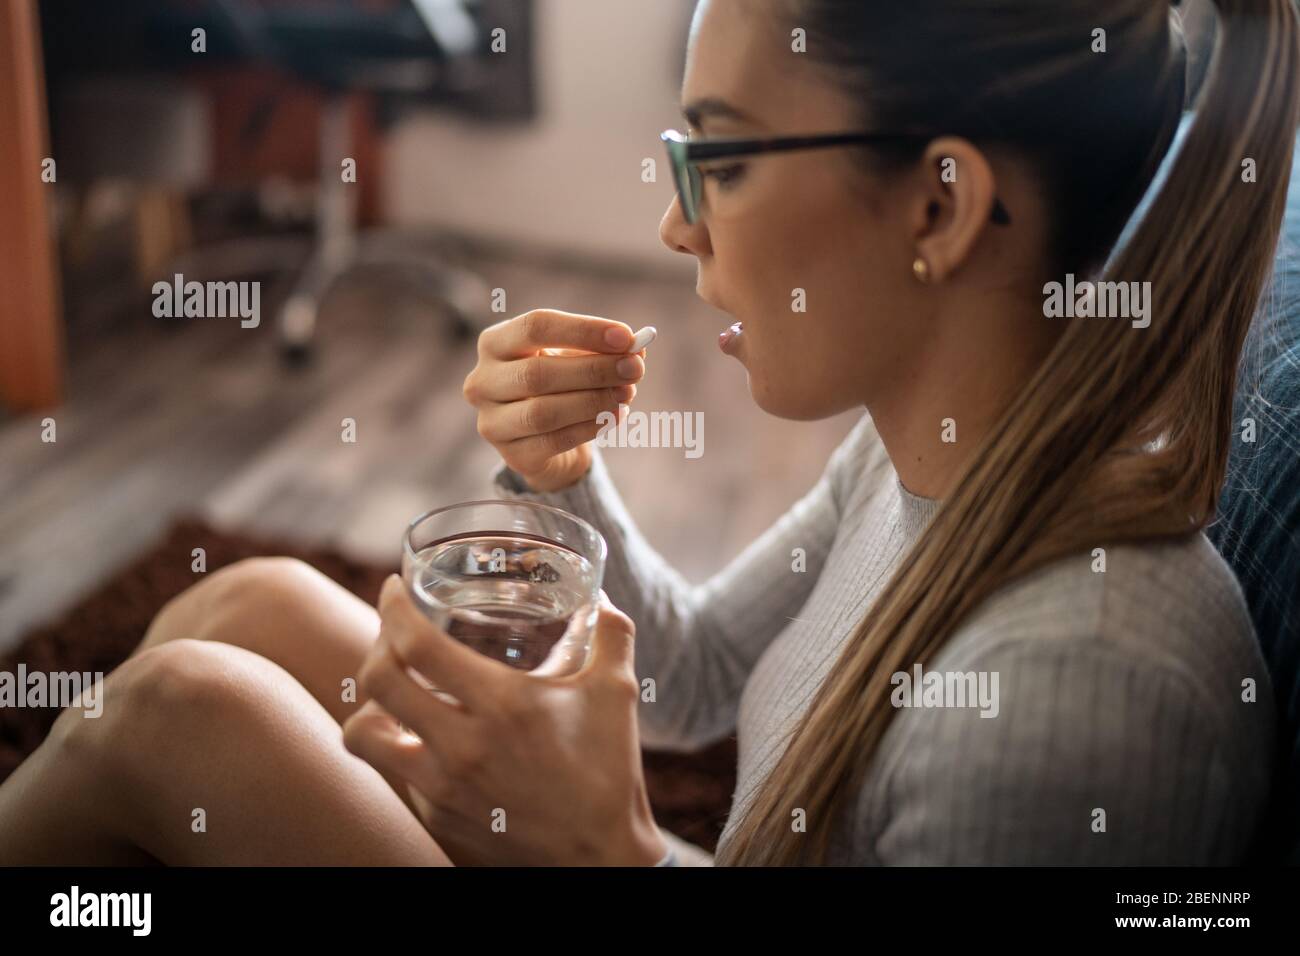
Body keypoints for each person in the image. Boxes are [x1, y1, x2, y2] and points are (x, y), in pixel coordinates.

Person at [1, 0, 1294, 866]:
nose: (679, 229)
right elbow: (692, 680)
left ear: (942, 206)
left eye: (716, 162)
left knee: (183, 713)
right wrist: (559, 478)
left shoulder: (1077, 695)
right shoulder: (934, 455)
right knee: (257, 611)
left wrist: (608, 851)